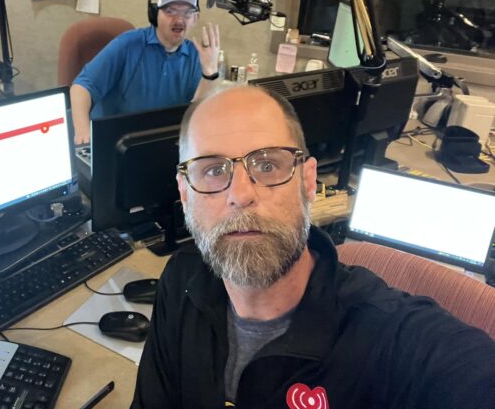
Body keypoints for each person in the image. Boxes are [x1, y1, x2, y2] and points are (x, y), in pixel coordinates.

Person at [131, 85, 495, 409]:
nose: (240, 195)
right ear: (184, 192)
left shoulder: (390, 339)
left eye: (268, 164)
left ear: (308, 181)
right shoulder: (182, 280)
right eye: (212, 171)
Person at [70, 0, 220, 145]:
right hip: (118, 141)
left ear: (195, 18)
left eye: (187, 13)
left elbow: (196, 112)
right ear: (155, 13)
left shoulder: (195, 54)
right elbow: (81, 87)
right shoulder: (128, 44)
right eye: (170, 11)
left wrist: (209, 73)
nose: (179, 20)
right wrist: (83, 133)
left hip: (164, 144)